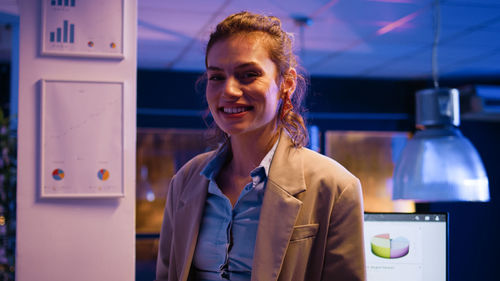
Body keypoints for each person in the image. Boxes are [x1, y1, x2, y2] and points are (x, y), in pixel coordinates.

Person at [156, 11, 365, 281]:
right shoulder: (187, 179)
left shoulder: (335, 186)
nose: (229, 90)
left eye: (248, 75)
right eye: (216, 77)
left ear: (286, 84)